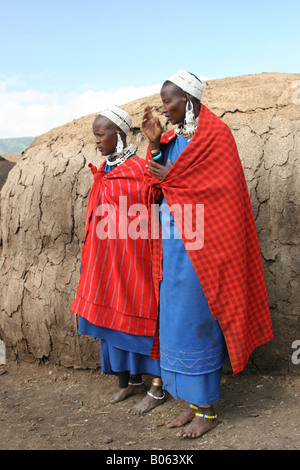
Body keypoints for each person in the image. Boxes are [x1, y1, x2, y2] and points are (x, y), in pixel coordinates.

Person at [142, 70, 273, 438]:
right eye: (163, 101)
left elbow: (218, 191)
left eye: (170, 100)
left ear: (189, 99)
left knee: (196, 320)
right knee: (174, 320)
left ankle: (208, 411)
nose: (165, 108)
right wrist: (154, 146)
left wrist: (173, 177)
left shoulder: (215, 136)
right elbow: (156, 183)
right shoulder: (171, 139)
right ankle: (189, 403)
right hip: (171, 243)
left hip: (202, 248)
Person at [71, 105, 165, 415]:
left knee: (143, 314)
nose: (96, 140)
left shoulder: (139, 170)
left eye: (101, 134)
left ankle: (156, 386)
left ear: (119, 135)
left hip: (135, 261)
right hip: (107, 263)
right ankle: (130, 381)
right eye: (95, 135)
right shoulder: (106, 170)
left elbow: (155, 204)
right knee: (112, 317)